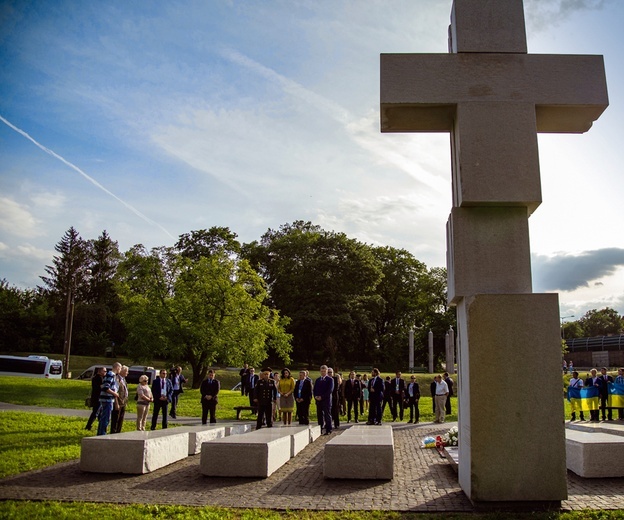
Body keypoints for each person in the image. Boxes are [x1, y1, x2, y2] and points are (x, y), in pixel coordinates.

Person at [97, 362, 121, 436]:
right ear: (117, 367)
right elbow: (106, 387)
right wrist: (115, 394)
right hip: (107, 399)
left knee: (104, 417)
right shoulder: (111, 375)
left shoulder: (109, 375)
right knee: (106, 418)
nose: (120, 370)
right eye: (120, 368)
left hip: (106, 399)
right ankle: (102, 434)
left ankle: (100, 433)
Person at [314, 365, 334, 435]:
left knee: (327, 415)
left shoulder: (330, 380)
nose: (323, 373)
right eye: (321, 371)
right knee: (319, 415)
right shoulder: (318, 380)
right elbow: (315, 389)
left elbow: (329, 391)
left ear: (326, 371)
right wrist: (316, 396)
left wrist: (322, 397)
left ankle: (328, 429)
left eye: (324, 371)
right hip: (318, 400)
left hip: (326, 400)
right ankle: (320, 428)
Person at [85, 366, 106, 431]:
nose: (106, 372)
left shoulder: (100, 378)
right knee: (95, 412)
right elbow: (99, 387)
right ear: (100, 372)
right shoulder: (98, 378)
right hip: (97, 398)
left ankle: (101, 426)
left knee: (100, 413)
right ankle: (88, 426)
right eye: (104, 371)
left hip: (97, 397)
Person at [110, 365, 129, 434]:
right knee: (116, 418)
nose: (127, 373)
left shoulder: (123, 379)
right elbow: (115, 391)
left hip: (123, 402)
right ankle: (113, 432)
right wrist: (116, 403)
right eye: (126, 371)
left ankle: (118, 432)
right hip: (118, 402)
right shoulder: (117, 379)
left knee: (121, 418)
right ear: (122, 371)